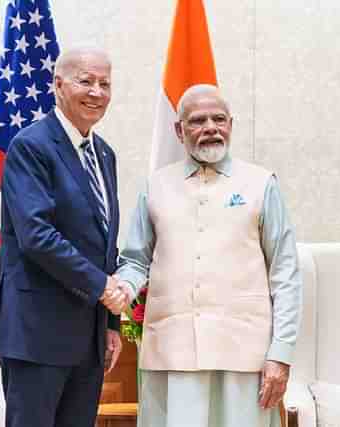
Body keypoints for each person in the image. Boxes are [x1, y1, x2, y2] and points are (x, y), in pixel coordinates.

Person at [117, 84, 303, 427]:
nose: (210, 127)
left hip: (244, 355)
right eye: (197, 120)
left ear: (231, 124)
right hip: (171, 354)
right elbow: (134, 261)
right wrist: (122, 289)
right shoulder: (155, 185)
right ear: (179, 130)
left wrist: (281, 353)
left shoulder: (261, 184)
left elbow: (285, 273)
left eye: (219, 119)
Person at [0, 48, 130, 427]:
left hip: (88, 337)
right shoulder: (30, 146)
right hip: (37, 333)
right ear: (58, 84)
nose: (97, 91)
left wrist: (109, 325)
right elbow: (37, 236)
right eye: (86, 81)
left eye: (105, 83)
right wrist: (102, 288)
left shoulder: (104, 154)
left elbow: (102, 242)